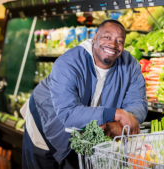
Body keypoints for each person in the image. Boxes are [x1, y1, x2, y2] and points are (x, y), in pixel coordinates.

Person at [20, 20, 147, 169]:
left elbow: (138, 103)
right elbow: (68, 113)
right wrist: (116, 114)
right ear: (94, 38)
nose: (113, 44)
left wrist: (122, 124)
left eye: (119, 41)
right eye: (107, 37)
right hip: (45, 121)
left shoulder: (130, 65)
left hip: (82, 131)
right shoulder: (68, 63)